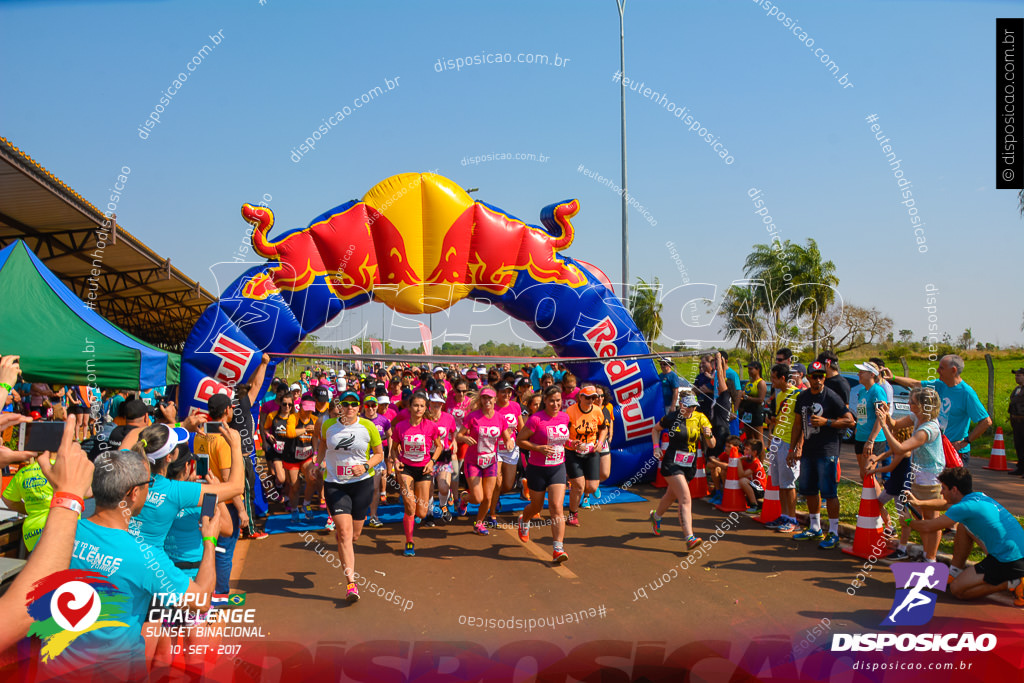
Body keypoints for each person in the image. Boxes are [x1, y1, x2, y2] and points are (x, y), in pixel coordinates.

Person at [55, 448, 220, 679]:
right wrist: (210, 539)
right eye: (148, 483)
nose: (150, 488)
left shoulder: (62, 531)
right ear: (134, 493)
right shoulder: (145, 557)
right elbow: (200, 601)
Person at [0, 415, 94, 652]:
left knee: (42, 582)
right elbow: (86, 493)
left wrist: (30, 510)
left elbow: (8, 501)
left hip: (33, 529)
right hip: (63, 526)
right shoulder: (65, 470)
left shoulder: (24, 472)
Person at [906, 467, 1024, 605]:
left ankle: (1012, 582)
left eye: (943, 488)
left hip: (1008, 560)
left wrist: (908, 521)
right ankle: (954, 572)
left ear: (954, 490)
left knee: (958, 591)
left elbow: (928, 526)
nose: (941, 492)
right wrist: (919, 503)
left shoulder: (963, 508)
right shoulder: (978, 497)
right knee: (963, 526)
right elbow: (945, 504)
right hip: (1016, 551)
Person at [314, 390, 384, 601]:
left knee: (353, 536)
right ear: (339, 407)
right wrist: (317, 463)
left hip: (362, 485)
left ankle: (344, 545)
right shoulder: (328, 426)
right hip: (335, 484)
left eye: (354, 404)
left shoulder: (368, 427)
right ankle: (351, 584)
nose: (350, 408)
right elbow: (323, 445)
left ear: (359, 407)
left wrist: (365, 466)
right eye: (346, 404)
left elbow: (379, 454)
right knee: (344, 534)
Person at [787, 360, 856, 549]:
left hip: (827, 450)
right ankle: (815, 527)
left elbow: (850, 421)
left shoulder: (831, 396)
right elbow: (797, 425)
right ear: (807, 377)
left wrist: (827, 422)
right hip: (809, 450)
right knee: (809, 490)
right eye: (814, 376)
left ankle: (833, 532)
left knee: (829, 492)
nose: (818, 380)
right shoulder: (802, 397)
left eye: (821, 376)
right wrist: (793, 449)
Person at [873, 386, 944, 561]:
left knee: (931, 521)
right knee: (919, 518)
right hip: (918, 474)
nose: (908, 404)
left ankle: (931, 559)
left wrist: (883, 425)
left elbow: (900, 447)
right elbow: (895, 424)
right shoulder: (916, 418)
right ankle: (927, 555)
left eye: (912, 402)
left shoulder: (928, 429)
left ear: (923, 406)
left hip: (930, 477)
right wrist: (887, 415)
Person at [888, 355, 992, 465]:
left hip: (954, 451)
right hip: (938, 448)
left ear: (953, 370)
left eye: (941, 368)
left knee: (952, 482)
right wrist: (893, 378)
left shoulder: (966, 393)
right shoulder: (940, 384)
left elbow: (986, 421)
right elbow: (916, 384)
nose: (937, 371)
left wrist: (966, 441)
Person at [193, 393, 249, 597]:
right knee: (224, 549)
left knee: (209, 542)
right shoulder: (225, 439)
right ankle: (221, 593)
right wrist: (242, 510)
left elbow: (201, 468)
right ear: (227, 411)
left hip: (207, 495)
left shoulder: (200, 434)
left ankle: (208, 588)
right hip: (226, 501)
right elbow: (228, 479)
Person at [649, 392, 713, 551]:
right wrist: (656, 448)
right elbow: (655, 430)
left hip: (689, 465)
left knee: (671, 495)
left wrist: (708, 435)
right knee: (685, 498)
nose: (690, 409)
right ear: (681, 404)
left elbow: (712, 444)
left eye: (693, 406)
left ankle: (655, 517)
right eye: (687, 406)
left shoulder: (700, 418)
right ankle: (689, 537)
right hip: (671, 463)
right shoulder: (671, 417)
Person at [516, 385, 572, 563]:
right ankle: (524, 520)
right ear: (545, 402)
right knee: (537, 508)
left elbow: (562, 440)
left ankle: (558, 548)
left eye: (558, 401)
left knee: (556, 508)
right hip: (537, 468)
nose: (556, 404)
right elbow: (520, 441)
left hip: (558, 467)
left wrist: (573, 443)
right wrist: (537, 448)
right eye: (552, 401)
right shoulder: (535, 419)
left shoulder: (565, 417)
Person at [456, 387, 513, 535]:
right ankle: (464, 499)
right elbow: (458, 435)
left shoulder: (500, 418)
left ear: (495, 400)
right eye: (484, 398)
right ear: (481, 400)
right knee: (477, 497)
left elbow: (507, 437)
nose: (487, 401)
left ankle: (479, 524)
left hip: (491, 461)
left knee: (488, 497)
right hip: (473, 461)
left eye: (490, 398)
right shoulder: (473, 416)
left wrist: (509, 443)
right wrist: (464, 438)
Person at [392, 391, 442, 556]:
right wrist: (396, 461)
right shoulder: (401, 426)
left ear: (425, 407)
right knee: (410, 505)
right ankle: (409, 541)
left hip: (424, 469)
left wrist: (432, 461)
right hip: (406, 468)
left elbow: (439, 446)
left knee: (421, 511)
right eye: (415, 405)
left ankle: (413, 514)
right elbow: (393, 449)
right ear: (409, 407)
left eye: (421, 406)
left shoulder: (431, 426)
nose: (418, 409)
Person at [764, 364, 802, 532]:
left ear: (783, 378)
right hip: (777, 441)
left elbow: (801, 424)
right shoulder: (779, 395)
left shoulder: (798, 395)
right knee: (780, 483)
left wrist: (796, 447)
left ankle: (793, 519)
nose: (771, 382)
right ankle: (784, 516)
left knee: (789, 483)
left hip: (788, 444)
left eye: (774, 378)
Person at [564, 385, 607, 526]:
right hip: (572, 451)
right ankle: (572, 514)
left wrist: (600, 442)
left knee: (592, 488)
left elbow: (603, 429)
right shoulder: (570, 411)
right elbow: (562, 433)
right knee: (579, 486)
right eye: (587, 397)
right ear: (580, 397)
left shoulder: (597, 411)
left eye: (593, 397)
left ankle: (578, 490)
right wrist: (571, 442)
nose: (590, 400)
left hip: (591, 451)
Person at [488, 381, 524, 525]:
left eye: (509, 391)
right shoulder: (492, 408)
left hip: (511, 450)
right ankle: (492, 514)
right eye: (503, 391)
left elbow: (521, 428)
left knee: (508, 485)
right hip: (495, 448)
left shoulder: (515, 406)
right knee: (497, 482)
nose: (507, 394)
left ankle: (494, 499)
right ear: (496, 393)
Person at [852, 361, 891, 484]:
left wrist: (871, 440)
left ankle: (875, 501)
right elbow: (862, 414)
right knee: (863, 474)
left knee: (869, 474)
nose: (859, 374)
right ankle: (867, 502)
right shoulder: (863, 392)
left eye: (862, 372)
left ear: (871, 374)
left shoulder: (877, 391)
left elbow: (881, 417)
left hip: (873, 439)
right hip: (860, 437)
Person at [286, 392, 320, 521]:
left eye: (310, 410)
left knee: (312, 478)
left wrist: (316, 454)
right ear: (300, 407)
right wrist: (306, 429)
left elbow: (319, 437)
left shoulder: (315, 419)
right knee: (295, 486)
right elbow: (289, 433)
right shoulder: (293, 418)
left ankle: (306, 504)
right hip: (292, 457)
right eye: (306, 410)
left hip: (307, 456)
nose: (308, 413)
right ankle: (294, 509)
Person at [425, 393, 457, 525]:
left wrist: (454, 441)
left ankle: (443, 506)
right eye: (433, 402)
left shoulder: (448, 418)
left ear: (442, 404)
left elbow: (453, 430)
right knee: (429, 488)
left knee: (444, 487)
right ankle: (429, 514)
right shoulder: (424, 418)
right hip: (428, 456)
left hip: (443, 456)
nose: (436, 405)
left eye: (439, 403)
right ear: (429, 404)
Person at [362, 394, 391, 527]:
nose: (371, 408)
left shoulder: (383, 420)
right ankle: (359, 515)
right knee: (360, 488)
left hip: (377, 458)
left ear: (377, 406)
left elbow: (390, 436)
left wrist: (389, 453)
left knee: (374, 488)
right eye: (368, 405)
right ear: (364, 406)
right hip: (361, 458)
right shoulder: (359, 420)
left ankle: (373, 516)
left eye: (373, 405)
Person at [738, 360, 767, 446]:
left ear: (758, 370)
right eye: (748, 369)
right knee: (749, 437)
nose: (749, 371)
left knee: (758, 438)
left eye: (751, 369)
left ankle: (761, 459)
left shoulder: (761, 383)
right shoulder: (749, 382)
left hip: (756, 412)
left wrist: (746, 397)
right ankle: (750, 457)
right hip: (747, 412)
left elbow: (761, 399)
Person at [737, 439, 766, 514]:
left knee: (742, 481)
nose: (744, 451)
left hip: (760, 490)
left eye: (747, 449)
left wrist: (739, 461)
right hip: (754, 486)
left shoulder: (755, 463)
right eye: (744, 449)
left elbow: (741, 475)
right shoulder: (747, 459)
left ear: (754, 452)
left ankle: (754, 505)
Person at [1008, 367, 1024, 476]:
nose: (1016, 377)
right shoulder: (1017, 389)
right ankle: (1021, 467)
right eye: (1016, 375)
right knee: (1018, 444)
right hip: (1016, 421)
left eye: (1019, 375)